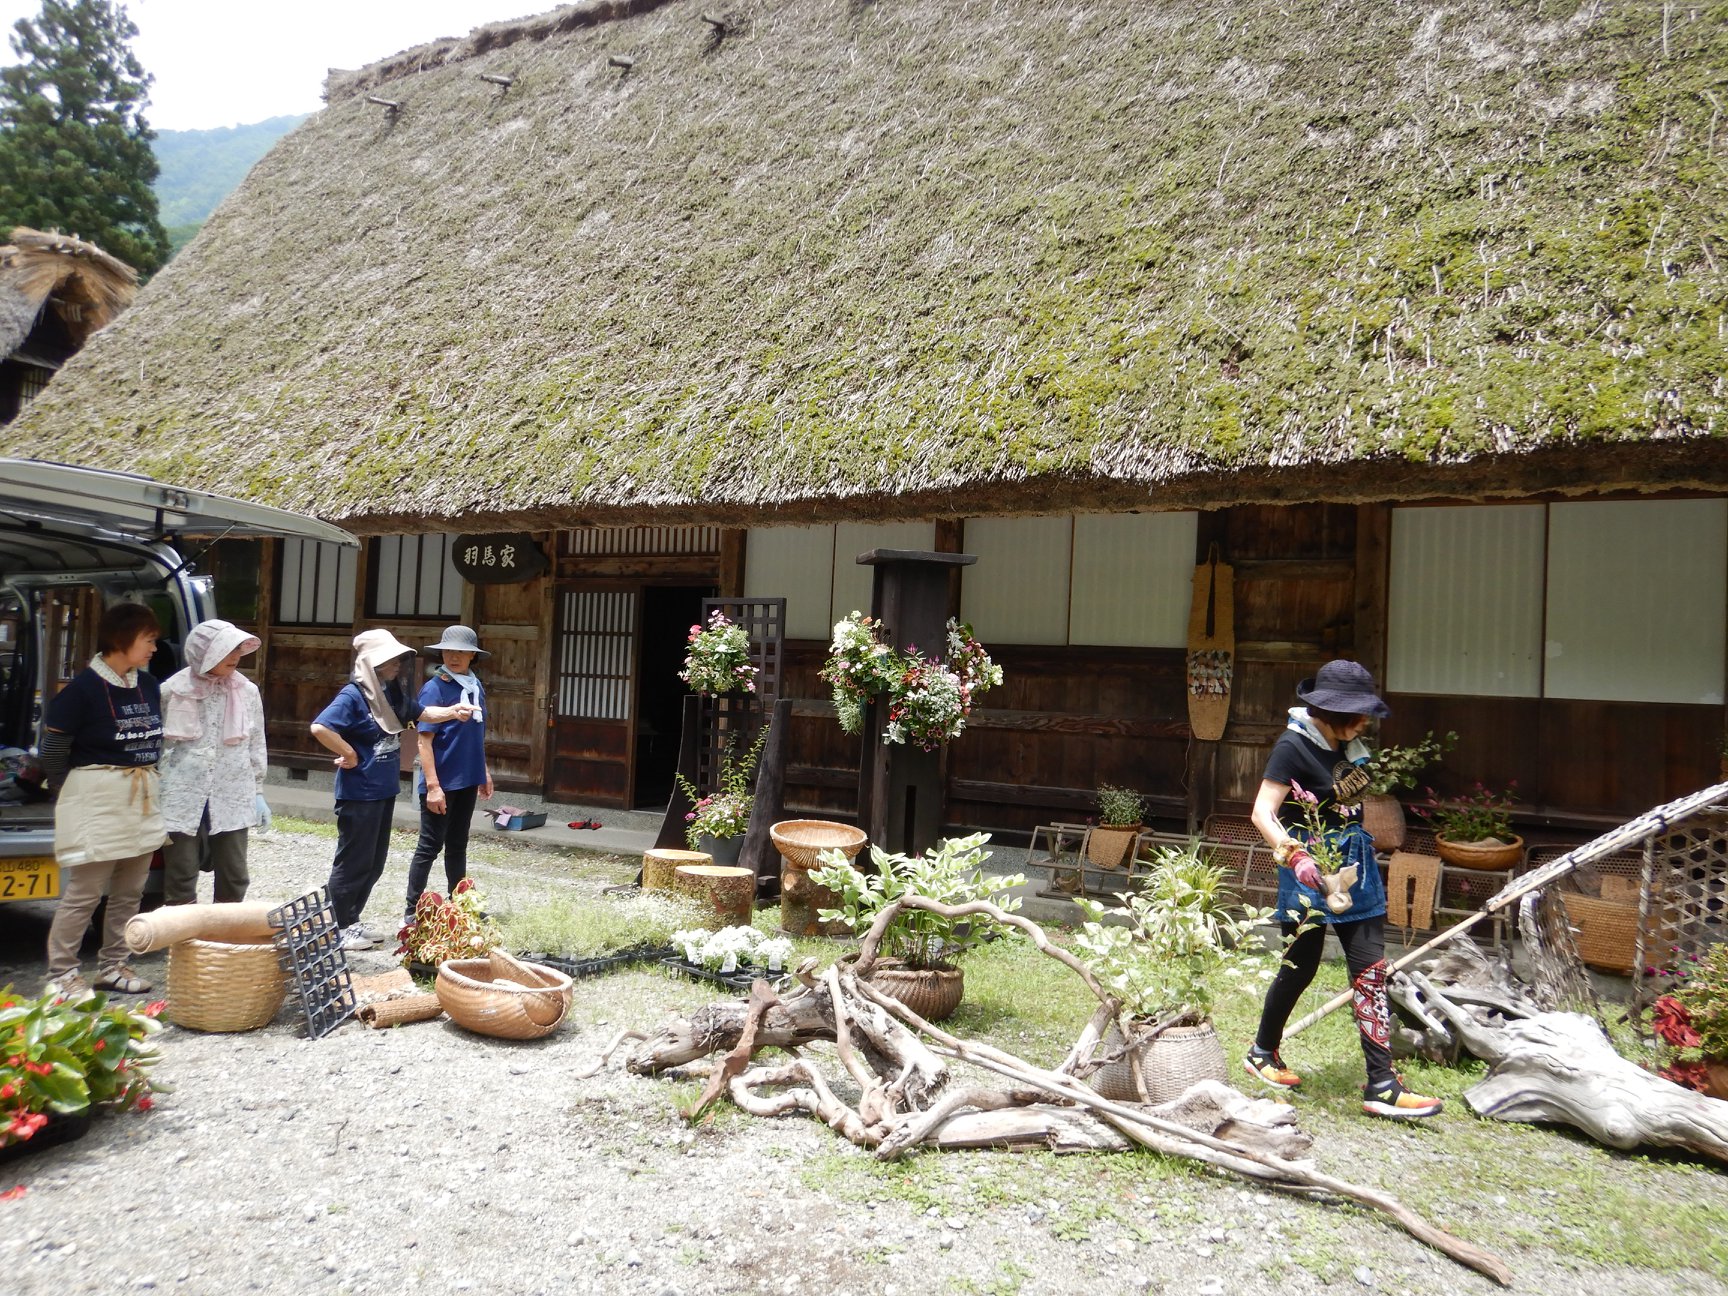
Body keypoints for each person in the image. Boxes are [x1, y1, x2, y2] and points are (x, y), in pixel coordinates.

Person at [1241, 659, 1444, 1120]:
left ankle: (1383, 1086)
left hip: (1357, 865)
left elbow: (1347, 802)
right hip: (1310, 870)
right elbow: (1262, 813)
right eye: (1358, 713)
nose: (1367, 720)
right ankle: (1261, 1053)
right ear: (1329, 712)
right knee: (1300, 968)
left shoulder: (1350, 745)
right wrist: (1296, 857)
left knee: (1372, 972)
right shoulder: (1293, 746)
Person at [309, 629, 473, 950]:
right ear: (373, 663)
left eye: (398, 658)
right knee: (353, 861)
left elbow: (423, 713)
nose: (398, 664)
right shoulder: (353, 696)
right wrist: (350, 753)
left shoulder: (389, 694)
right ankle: (337, 927)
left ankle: (352, 920)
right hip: (358, 793)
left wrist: (454, 711)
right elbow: (321, 727)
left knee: (375, 861)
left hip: (383, 790)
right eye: (391, 659)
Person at [38, 602, 168, 997]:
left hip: (141, 795)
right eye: (148, 640)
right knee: (85, 891)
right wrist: (71, 791)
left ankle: (113, 965)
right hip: (97, 796)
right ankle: (61, 973)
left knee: (132, 890)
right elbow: (52, 750)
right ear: (122, 640)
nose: (154, 648)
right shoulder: (82, 689)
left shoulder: (146, 684)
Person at [158, 620, 267, 905]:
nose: (235, 656)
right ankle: (184, 945)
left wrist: (258, 791)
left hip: (233, 793)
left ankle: (223, 941)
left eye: (236, 649)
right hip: (181, 795)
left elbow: (255, 742)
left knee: (235, 875)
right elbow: (159, 745)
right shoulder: (172, 690)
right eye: (226, 650)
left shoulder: (246, 691)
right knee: (181, 875)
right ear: (204, 653)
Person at [403, 625, 493, 924]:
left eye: (461, 651)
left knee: (458, 843)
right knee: (429, 845)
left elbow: (475, 735)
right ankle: (411, 911)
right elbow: (423, 740)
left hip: (467, 778)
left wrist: (484, 772)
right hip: (441, 781)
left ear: (472, 656)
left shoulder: (474, 686)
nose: (454, 656)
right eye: (448, 650)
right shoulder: (435, 687)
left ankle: (460, 903)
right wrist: (432, 786)